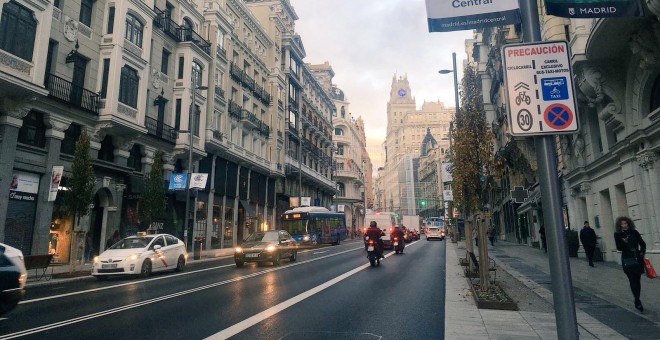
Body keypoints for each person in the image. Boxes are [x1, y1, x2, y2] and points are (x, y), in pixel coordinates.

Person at [614, 216, 646, 313]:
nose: (624, 225)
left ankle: (637, 299)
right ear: (619, 225)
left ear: (628, 223)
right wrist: (624, 243)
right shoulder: (618, 234)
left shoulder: (634, 232)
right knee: (632, 279)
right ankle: (637, 300)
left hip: (637, 258)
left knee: (637, 279)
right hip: (627, 259)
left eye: (625, 223)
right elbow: (619, 248)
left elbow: (642, 243)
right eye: (622, 224)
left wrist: (641, 252)